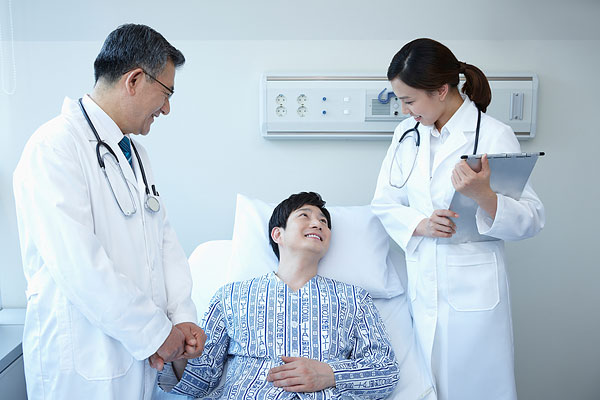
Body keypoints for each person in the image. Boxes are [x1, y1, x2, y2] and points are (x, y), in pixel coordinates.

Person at [13, 24, 206, 400]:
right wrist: (155, 333)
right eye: (166, 93)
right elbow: (79, 265)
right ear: (134, 80)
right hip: (83, 367)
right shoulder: (54, 147)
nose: (166, 108)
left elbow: (163, 244)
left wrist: (181, 317)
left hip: (137, 361)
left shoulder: (135, 155)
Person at [371, 38, 545, 400]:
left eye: (409, 100)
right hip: (422, 288)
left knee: (475, 389)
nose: (404, 110)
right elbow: (384, 203)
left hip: (474, 296)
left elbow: (532, 218)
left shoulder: (493, 134)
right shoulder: (406, 135)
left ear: (440, 90)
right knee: (423, 388)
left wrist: (484, 196)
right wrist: (421, 224)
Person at [158, 192, 400, 399]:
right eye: (305, 216)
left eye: (324, 222)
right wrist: (179, 348)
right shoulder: (230, 297)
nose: (318, 224)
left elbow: (386, 370)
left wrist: (329, 374)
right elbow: (200, 382)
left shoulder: (355, 299)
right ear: (278, 234)